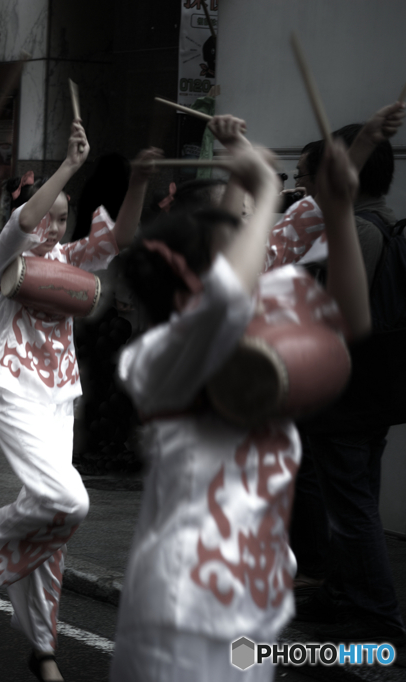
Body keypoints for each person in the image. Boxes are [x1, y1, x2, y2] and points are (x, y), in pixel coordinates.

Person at [109, 125, 371, 682]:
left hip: (253, 605)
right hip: (182, 609)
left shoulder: (255, 330)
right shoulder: (157, 357)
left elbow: (352, 319)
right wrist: (268, 192)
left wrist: (341, 210)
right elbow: (227, 296)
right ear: (188, 283)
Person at [0, 120, 152, 682]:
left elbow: (122, 239)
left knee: (54, 520)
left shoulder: (70, 260)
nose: (54, 226)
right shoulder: (3, 255)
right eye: (49, 215)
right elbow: (23, 223)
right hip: (13, 392)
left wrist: (136, 183)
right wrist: (68, 165)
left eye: (63, 217)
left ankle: (42, 646)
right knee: (71, 500)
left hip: (61, 398)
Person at [275, 102, 406, 649]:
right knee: (350, 500)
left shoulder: (358, 230)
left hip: (347, 394)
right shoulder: (378, 221)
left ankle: (377, 615)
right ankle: (344, 593)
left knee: (350, 507)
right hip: (368, 392)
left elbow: (339, 316)